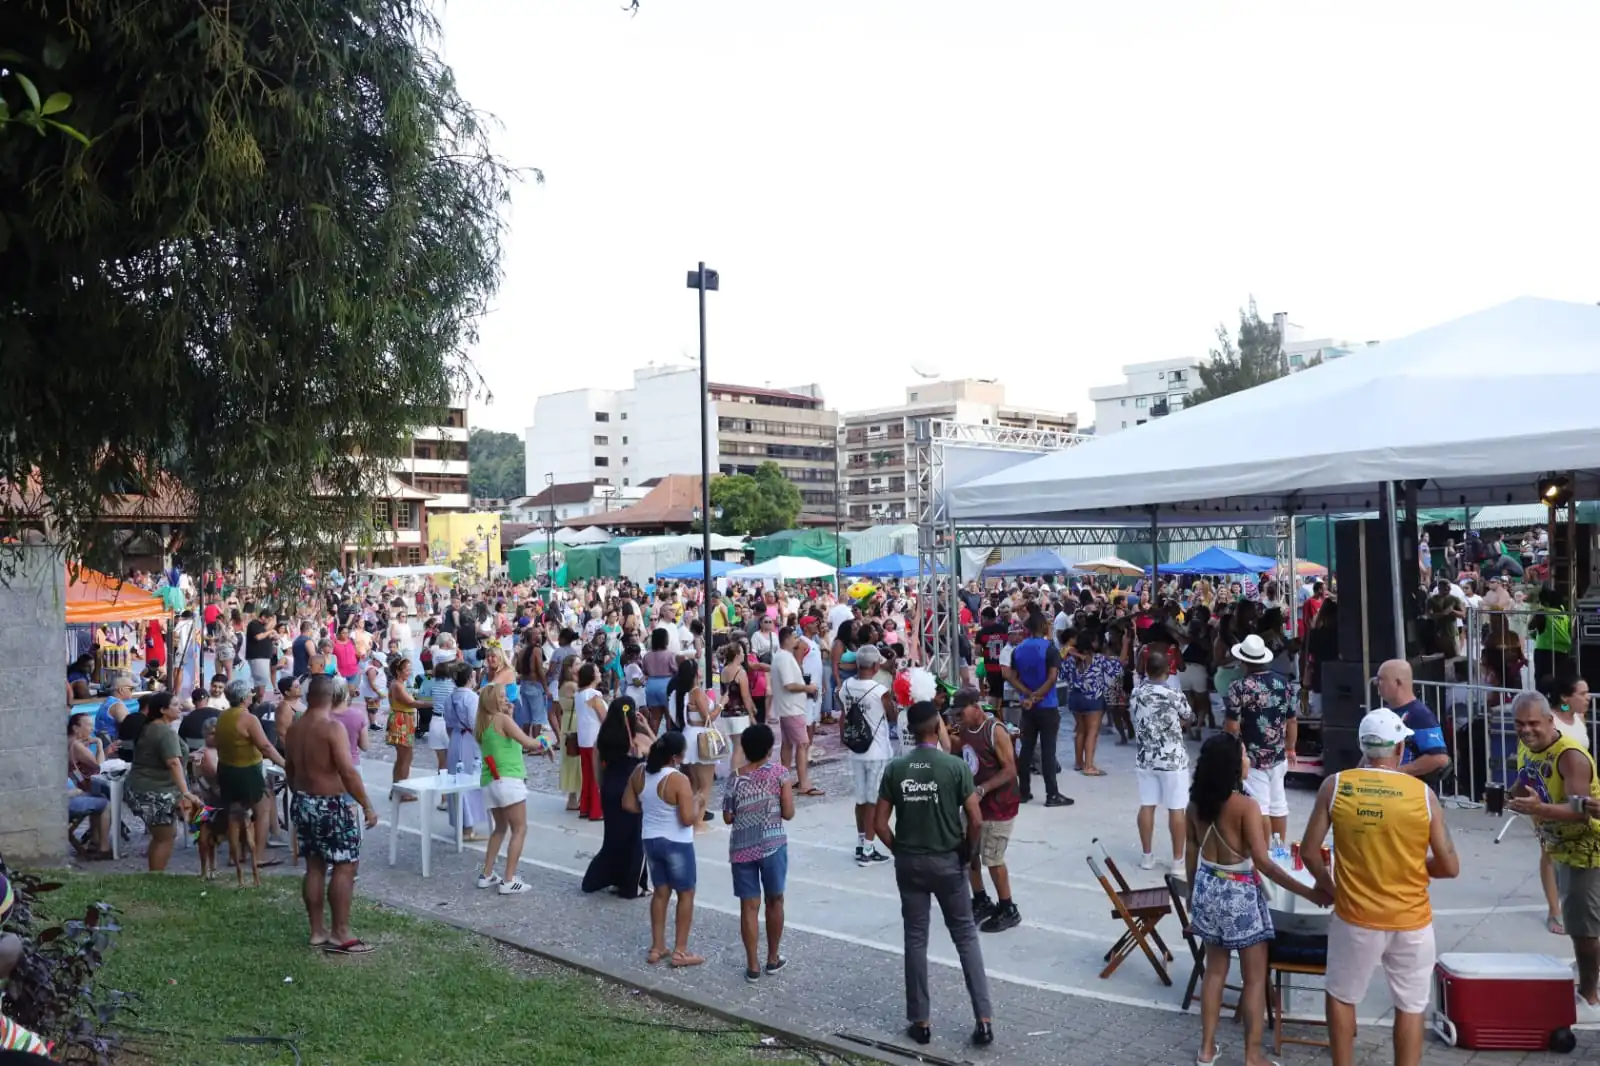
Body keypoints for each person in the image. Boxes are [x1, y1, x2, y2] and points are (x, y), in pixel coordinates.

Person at [1301, 708, 1459, 1066]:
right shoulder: (1422, 795)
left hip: (1355, 916)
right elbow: (1450, 867)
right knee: (1410, 1007)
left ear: (1362, 747)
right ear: (1401, 749)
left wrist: (1331, 888)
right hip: (1412, 921)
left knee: (1342, 997)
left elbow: (1310, 853)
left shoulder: (1336, 785)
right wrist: (1414, 864)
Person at [1187, 732, 1326, 1066]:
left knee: (1214, 971)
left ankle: (1206, 1049)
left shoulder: (1195, 804)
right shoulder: (1246, 806)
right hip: (1240, 891)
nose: (1248, 761)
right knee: (1254, 977)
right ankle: (1252, 1055)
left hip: (1207, 885)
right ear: (1233, 767)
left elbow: (1191, 851)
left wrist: (1195, 895)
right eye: (1244, 756)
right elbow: (1263, 862)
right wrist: (1308, 891)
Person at [873, 702, 994, 1047]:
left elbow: (879, 824)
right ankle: (983, 1020)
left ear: (909, 730)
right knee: (966, 937)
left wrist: (900, 850)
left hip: (910, 862)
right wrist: (968, 854)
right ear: (938, 725)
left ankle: (921, 1022)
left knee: (915, 938)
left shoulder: (896, 769)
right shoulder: (955, 767)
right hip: (948, 861)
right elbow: (975, 819)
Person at [1508, 690, 1600, 1022]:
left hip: (1587, 849)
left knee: (1583, 929)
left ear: (1550, 720)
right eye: (1519, 724)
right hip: (1560, 846)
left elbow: (1579, 810)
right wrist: (1512, 797)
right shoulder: (1527, 746)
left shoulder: (1571, 755)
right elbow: (1525, 779)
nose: (1526, 730)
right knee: (1583, 923)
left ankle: (1589, 995)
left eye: (1533, 723)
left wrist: (1540, 808)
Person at [286, 676, 380, 953]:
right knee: (345, 865)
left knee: (314, 866)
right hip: (330, 804)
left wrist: (301, 794)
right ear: (333, 697)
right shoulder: (331, 727)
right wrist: (367, 805)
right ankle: (340, 932)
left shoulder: (295, 728)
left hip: (302, 801)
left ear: (307, 697)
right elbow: (348, 771)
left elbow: (290, 769)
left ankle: (317, 931)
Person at [625, 731, 706, 968]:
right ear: (676, 756)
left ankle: (657, 946)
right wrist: (699, 801)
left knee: (661, 892)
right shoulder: (678, 779)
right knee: (685, 893)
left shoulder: (639, 772)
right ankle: (680, 951)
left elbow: (628, 804)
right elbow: (687, 818)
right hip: (677, 842)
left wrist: (651, 811)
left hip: (650, 838)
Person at [722, 723, 794, 982]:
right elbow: (788, 813)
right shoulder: (781, 774)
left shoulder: (735, 777)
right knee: (775, 900)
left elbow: (728, 817)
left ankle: (752, 965)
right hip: (773, 845)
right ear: (768, 748)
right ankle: (773, 959)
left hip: (742, 848)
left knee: (748, 906)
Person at [949, 687, 1021, 932]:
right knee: (968, 853)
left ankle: (1008, 908)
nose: (957, 717)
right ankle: (981, 900)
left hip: (999, 805)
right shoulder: (966, 729)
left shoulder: (995, 730)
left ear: (975, 707)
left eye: (961, 712)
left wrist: (982, 789)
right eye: (954, 714)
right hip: (975, 804)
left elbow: (1010, 769)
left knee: (993, 858)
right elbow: (957, 748)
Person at [475, 684, 550, 894]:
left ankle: (487, 874)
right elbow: (528, 743)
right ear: (493, 701)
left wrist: (509, 714)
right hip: (508, 780)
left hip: (490, 781)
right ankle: (508, 880)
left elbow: (508, 742)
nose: (506, 699)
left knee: (499, 829)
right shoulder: (502, 720)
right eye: (501, 696)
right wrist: (545, 740)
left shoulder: (483, 723)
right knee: (519, 829)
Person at [1223, 633, 1297, 841]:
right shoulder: (1284, 684)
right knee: (1278, 803)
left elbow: (1232, 725)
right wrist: (1290, 747)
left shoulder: (1238, 687)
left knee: (1260, 806)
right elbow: (1291, 720)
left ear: (1244, 660)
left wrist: (1232, 750)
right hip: (1278, 753)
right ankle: (1279, 848)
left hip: (1252, 755)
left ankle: (1264, 851)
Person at [583, 696, 655, 898]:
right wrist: (647, 727)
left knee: (613, 837)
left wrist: (603, 787)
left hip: (610, 788)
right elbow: (661, 751)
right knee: (635, 839)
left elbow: (596, 766)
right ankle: (632, 885)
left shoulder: (603, 738)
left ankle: (608, 877)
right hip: (632, 790)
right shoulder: (637, 740)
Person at [1131, 648, 1194, 871]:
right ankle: (1177, 861)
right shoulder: (1174, 694)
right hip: (1172, 759)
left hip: (1146, 757)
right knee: (1177, 808)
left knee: (1147, 805)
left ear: (1147, 669)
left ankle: (1147, 856)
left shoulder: (1136, 693)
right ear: (1168, 670)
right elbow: (1189, 717)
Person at [123, 693, 201, 871]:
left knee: (163, 835)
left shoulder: (152, 727)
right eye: (175, 704)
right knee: (165, 836)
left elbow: (165, 756)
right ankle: (156, 877)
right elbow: (172, 762)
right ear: (163, 710)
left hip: (145, 788)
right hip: (153, 791)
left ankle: (155, 874)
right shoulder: (164, 732)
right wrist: (186, 792)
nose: (180, 707)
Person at [215, 678, 286, 867]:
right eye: (250, 694)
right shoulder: (248, 718)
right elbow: (266, 747)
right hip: (246, 770)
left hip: (226, 768)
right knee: (262, 809)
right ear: (244, 697)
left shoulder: (223, 716)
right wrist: (285, 764)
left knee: (234, 812)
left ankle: (234, 855)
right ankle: (259, 855)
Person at [839, 644, 896, 866]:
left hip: (856, 749)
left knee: (861, 799)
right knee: (873, 801)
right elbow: (891, 717)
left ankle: (861, 842)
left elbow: (843, 714)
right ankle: (868, 849)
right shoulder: (879, 691)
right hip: (876, 750)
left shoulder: (845, 686)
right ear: (874, 665)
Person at [1008, 610, 1071, 805]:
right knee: (1048, 751)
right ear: (1043, 626)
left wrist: (1027, 694)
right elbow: (1052, 678)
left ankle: (1023, 791)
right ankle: (1052, 794)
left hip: (1027, 707)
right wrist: (1036, 697)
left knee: (1026, 749)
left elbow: (1011, 677)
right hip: (1047, 705)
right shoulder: (1049, 649)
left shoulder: (1018, 649)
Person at [1373, 659, 1450, 793]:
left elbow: (1439, 758)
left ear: (1398, 683)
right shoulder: (1384, 713)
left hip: (1411, 794)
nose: (1376, 683)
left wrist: (1398, 772)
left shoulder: (1421, 715)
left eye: (1381, 679)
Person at [665, 658, 719, 825]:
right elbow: (708, 718)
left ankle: (691, 816)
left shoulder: (681, 693)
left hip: (689, 735)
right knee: (706, 785)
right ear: (695, 674)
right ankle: (698, 820)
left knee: (695, 783)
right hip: (701, 737)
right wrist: (721, 705)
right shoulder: (696, 692)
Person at [770, 625, 822, 796]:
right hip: (792, 708)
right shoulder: (784, 657)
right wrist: (808, 688)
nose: (798, 640)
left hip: (789, 708)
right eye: (795, 637)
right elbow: (789, 684)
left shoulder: (783, 656)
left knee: (788, 745)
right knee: (802, 744)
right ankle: (804, 783)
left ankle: (784, 780)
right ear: (787, 639)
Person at [385, 655, 429, 800]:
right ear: (399, 671)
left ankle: (396, 789)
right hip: (401, 720)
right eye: (407, 669)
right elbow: (411, 703)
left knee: (402, 758)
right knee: (405, 758)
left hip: (403, 719)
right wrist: (432, 703)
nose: (409, 672)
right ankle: (401, 791)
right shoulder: (397, 685)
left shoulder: (398, 684)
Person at [573, 663, 608, 821]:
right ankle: (596, 810)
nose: (599, 673)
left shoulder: (579, 694)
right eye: (597, 671)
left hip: (583, 739)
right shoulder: (594, 695)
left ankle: (585, 808)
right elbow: (604, 717)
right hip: (595, 738)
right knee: (597, 776)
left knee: (587, 775)